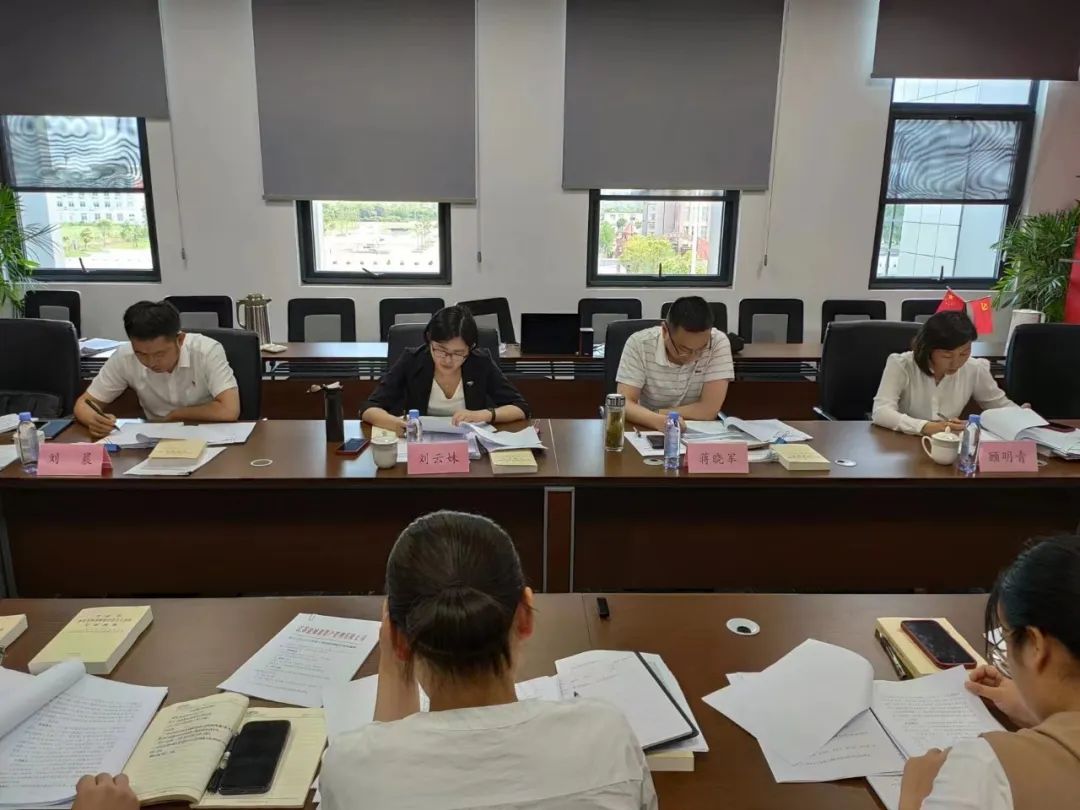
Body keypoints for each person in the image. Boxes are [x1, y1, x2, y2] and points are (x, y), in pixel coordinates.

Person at [320, 511, 657, 810]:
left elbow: (383, 762)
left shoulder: (349, 770)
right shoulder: (606, 737)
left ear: (397, 639)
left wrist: (396, 660)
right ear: (525, 616)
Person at [899, 535, 1080, 810]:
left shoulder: (986, 769)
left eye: (1005, 635)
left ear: (1035, 645)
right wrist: (1042, 713)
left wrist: (913, 797)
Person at [75, 301, 239, 439]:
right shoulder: (125, 356)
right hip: (154, 439)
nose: (151, 362)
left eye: (160, 354)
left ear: (180, 340)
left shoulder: (206, 351)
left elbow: (229, 410)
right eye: (141, 354)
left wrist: (177, 414)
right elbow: (84, 404)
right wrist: (94, 420)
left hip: (209, 434)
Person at [361, 306, 529, 434]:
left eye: (458, 353)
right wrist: (396, 424)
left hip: (468, 447)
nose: (448, 360)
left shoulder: (480, 362)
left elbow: (520, 407)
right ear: (429, 340)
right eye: (441, 350)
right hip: (421, 445)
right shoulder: (412, 360)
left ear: (470, 348)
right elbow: (369, 408)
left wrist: (484, 415)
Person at [872, 310, 1015, 437]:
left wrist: (1021, 415)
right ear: (928, 349)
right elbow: (881, 411)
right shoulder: (902, 364)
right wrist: (925, 427)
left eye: (964, 353)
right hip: (902, 442)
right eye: (947, 356)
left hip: (948, 443)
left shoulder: (975, 368)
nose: (956, 363)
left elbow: (1001, 406)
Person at [615, 296, 733, 431]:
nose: (693, 357)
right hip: (649, 427)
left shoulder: (717, 343)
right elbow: (624, 404)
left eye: (701, 349)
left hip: (695, 430)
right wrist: (657, 421)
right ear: (665, 331)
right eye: (684, 350)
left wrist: (658, 414)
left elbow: (708, 410)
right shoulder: (639, 344)